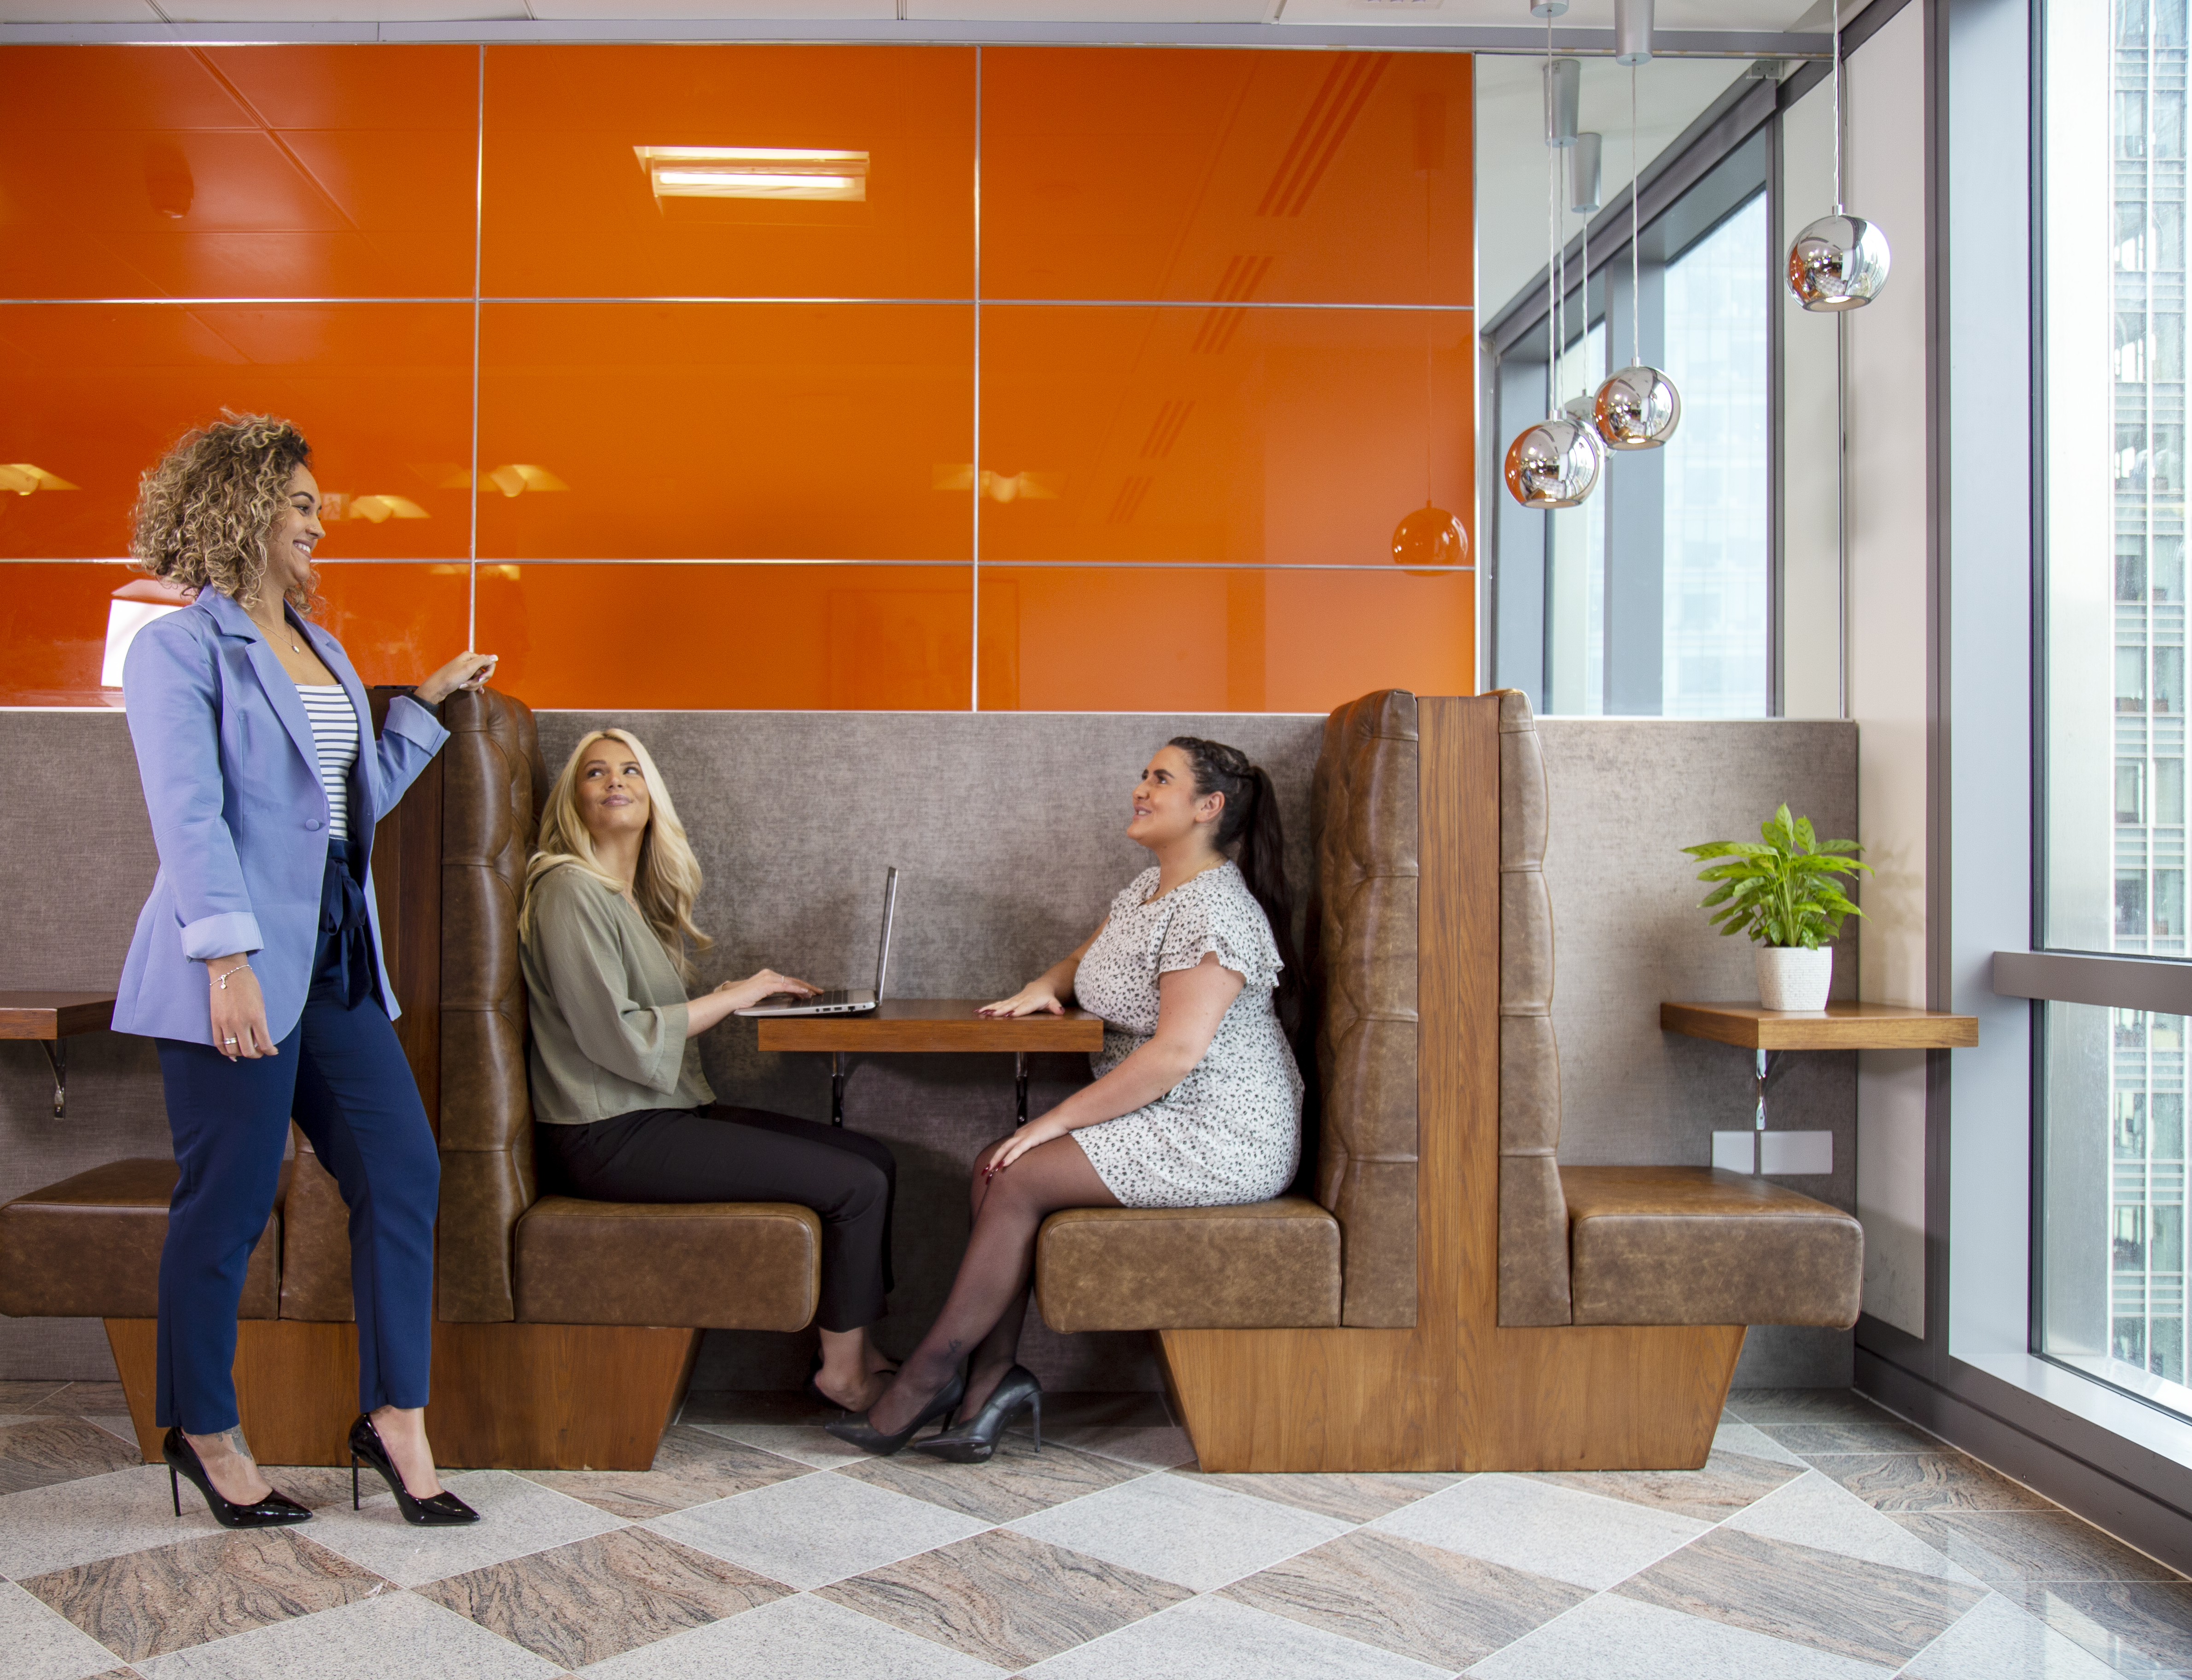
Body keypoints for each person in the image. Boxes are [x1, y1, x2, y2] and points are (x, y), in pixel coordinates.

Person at [115, 414, 496, 1529]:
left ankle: (394, 1419)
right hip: (230, 962)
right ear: (239, 510)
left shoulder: (321, 647)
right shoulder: (177, 649)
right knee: (227, 1206)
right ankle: (204, 1430)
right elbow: (189, 817)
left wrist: (418, 710)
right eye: (300, 507)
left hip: (335, 956)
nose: (318, 529)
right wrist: (226, 957)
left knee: (404, 1169)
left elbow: (349, 797)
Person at [829, 736, 1303, 1460]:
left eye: (1161, 780)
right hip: (1164, 1115)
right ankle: (990, 1385)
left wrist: (1050, 1124)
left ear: (1209, 807)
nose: (1140, 789)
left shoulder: (1213, 911)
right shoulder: (1148, 892)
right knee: (996, 1164)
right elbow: (1087, 958)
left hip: (1223, 1131)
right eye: (1143, 775)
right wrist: (1041, 988)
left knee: (1013, 1169)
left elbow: (1175, 1056)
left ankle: (926, 1381)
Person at [518, 729, 900, 1410]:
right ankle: (843, 1376)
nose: (615, 781)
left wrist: (750, 999)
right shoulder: (567, 890)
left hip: (654, 1117)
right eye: (595, 773)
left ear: (652, 795)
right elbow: (622, 1041)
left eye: (632, 770)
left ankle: (858, 1348)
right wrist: (731, 998)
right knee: (857, 1186)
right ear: (572, 800)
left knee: (872, 1157)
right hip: (604, 1135)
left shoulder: (627, 897)